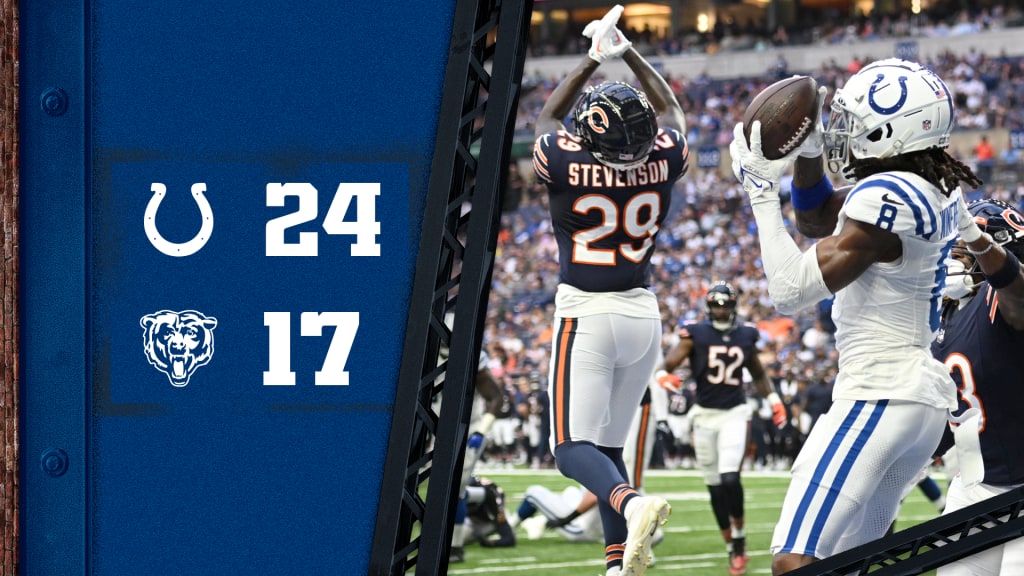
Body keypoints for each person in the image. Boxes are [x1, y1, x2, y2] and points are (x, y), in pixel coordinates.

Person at [729, 58, 983, 574]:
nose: (841, 130)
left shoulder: (887, 195)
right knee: (851, 562)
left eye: (853, 123)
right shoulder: (929, 183)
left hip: (880, 391)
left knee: (795, 561)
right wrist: (810, 150)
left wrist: (759, 189)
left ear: (891, 131)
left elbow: (786, 291)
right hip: (917, 401)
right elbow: (819, 219)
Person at [532, 5, 689, 575]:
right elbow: (671, 109)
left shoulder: (568, 163)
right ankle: (617, 561)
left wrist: (593, 59)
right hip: (644, 314)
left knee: (572, 449)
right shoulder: (665, 155)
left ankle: (632, 502)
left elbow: (547, 121)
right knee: (609, 451)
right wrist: (630, 55)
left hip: (587, 313)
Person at [657, 281, 787, 575]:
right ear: (709, 306)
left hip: (734, 414)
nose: (721, 310)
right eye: (716, 305)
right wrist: (664, 374)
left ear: (733, 306)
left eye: (725, 304)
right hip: (703, 416)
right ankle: (731, 545)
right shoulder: (697, 334)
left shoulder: (745, 335)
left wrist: (774, 399)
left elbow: (756, 371)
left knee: (730, 478)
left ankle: (740, 538)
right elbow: (670, 361)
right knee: (714, 487)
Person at [932, 197, 1024, 575]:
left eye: (965, 249)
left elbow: (1015, 296)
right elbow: (955, 412)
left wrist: (982, 244)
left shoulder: (1004, 300)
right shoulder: (948, 316)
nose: (954, 259)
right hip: (974, 484)